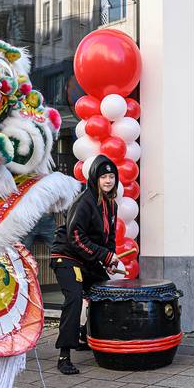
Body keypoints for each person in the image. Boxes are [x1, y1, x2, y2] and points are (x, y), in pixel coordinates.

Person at [50, 156, 124, 375]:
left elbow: (108, 239)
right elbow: (75, 237)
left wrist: (110, 259)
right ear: (95, 178)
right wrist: (104, 255)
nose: (108, 180)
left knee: (103, 291)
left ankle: (84, 334)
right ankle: (64, 355)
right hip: (66, 256)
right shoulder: (85, 201)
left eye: (112, 176)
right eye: (104, 177)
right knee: (73, 298)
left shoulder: (112, 204)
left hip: (87, 258)